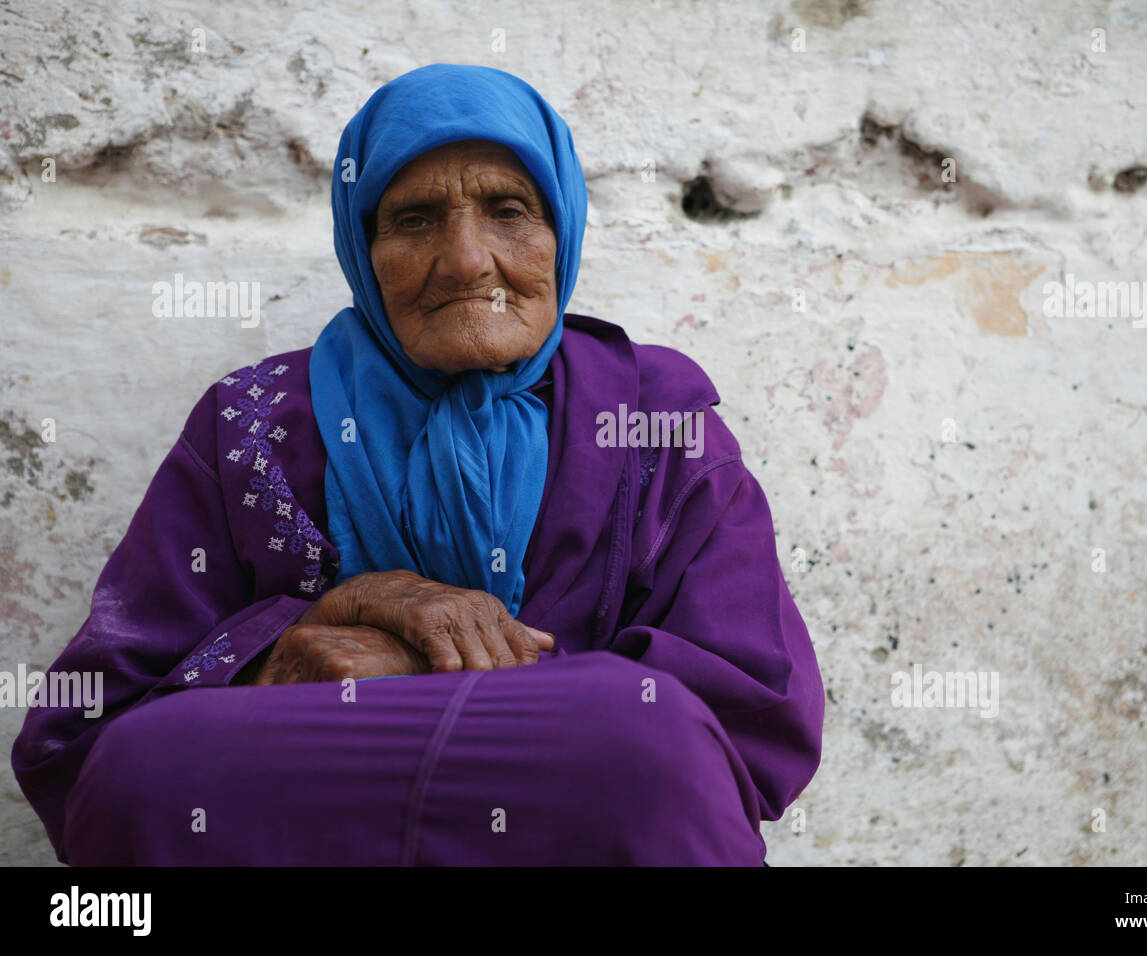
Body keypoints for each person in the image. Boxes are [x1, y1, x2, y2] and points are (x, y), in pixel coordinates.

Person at [10, 63, 823, 866]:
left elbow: (756, 710)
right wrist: (295, 640)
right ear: (361, 246)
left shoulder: (650, 417)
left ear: (563, 230)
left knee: (642, 732)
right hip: (306, 822)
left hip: (568, 817)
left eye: (508, 210)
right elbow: (82, 733)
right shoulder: (253, 424)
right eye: (413, 221)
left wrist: (411, 665)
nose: (467, 261)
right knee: (139, 771)